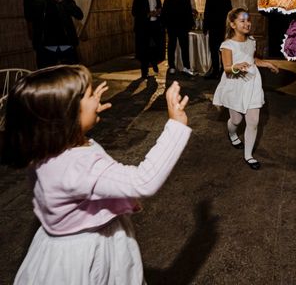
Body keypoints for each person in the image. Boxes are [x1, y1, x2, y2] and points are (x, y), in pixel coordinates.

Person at [1, 65, 191, 284]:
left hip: (56, 251)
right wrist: (176, 125)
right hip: (89, 254)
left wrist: (84, 119)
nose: (97, 99)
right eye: (90, 95)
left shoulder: (45, 149)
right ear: (67, 115)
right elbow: (143, 181)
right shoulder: (79, 167)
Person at [212, 8, 279, 170]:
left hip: (252, 82)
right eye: (242, 20)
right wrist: (236, 66)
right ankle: (233, 133)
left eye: (248, 20)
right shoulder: (227, 45)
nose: (247, 23)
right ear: (233, 24)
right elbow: (227, 68)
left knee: (254, 121)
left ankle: (248, 155)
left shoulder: (251, 41)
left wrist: (267, 64)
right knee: (236, 120)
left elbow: (252, 58)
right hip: (235, 83)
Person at [23, 0, 84, 69]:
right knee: (47, 80)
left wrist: (62, 0)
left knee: (72, 78)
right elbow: (29, 16)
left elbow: (79, 15)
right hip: (45, 47)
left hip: (67, 45)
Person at [131, 0, 165, 79]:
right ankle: (144, 72)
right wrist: (148, 14)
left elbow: (160, 9)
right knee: (144, 49)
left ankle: (154, 61)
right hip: (143, 27)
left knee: (156, 47)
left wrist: (159, 12)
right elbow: (134, 12)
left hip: (155, 26)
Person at [162, 0, 196, 76]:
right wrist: (191, 23)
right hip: (182, 26)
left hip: (171, 26)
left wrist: (164, 25)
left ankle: (172, 67)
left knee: (171, 47)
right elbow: (187, 10)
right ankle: (186, 67)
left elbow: (164, 10)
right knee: (184, 47)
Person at [203, 0, 232, 79]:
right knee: (222, 50)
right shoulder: (227, 0)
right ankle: (222, 71)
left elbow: (206, 15)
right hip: (223, 30)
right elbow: (230, 16)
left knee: (214, 51)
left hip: (213, 29)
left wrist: (205, 28)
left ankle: (215, 71)